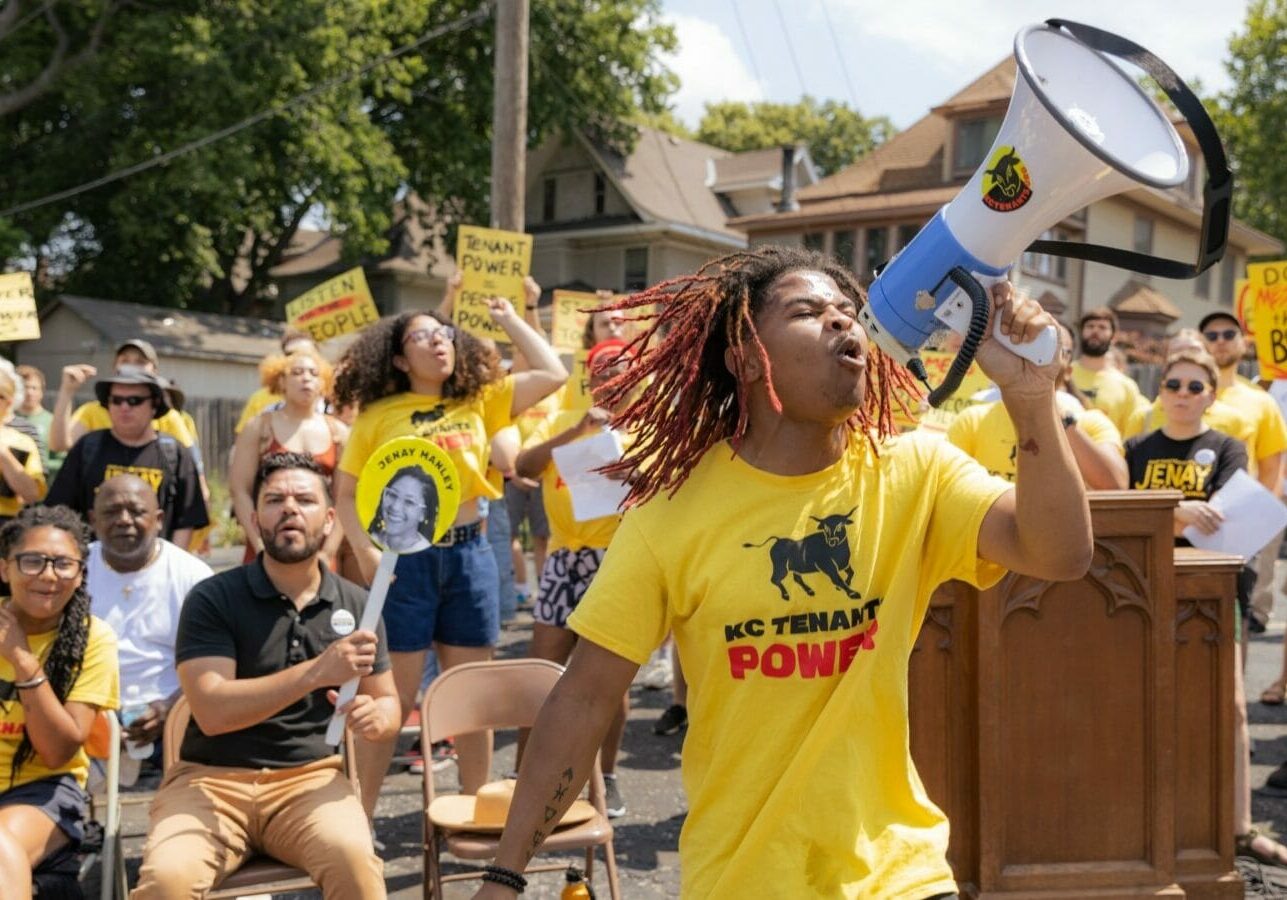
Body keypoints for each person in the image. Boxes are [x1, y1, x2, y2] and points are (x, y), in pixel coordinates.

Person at [474, 246, 1092, 899]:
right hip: (743, 878)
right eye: (807, 312)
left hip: (899, 872)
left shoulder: (917, 470)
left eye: (848, 311)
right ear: (743, 358)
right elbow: (583, 699)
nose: (842, 321)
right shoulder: (668, 516)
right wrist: (504, 875)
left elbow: (1059, 554)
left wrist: (1032, 398)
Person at [333, 296, 567, 817]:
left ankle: (473, 812)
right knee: (392, 700)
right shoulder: (377, 415)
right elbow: (345, 495)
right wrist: (365, 553)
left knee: (473, 699)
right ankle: (358, 819)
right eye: (422, 336)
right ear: (399, 359)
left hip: (470, 556)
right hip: (403, 565)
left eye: (444, 334)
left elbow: (553, 373)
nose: (438, 341)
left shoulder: (481, 399)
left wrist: (509, 319)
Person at [131, 453, 398, 898]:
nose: (290, 508)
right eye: (275, 500)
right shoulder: (213, 598)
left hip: (311, 780)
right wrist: (316, 672)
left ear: (330, 519)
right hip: (208, 782)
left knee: (356, 863)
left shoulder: (357, 605)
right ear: (255, 520)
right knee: (167, 879)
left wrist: (378, 717)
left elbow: (388, 702)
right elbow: (212, 711)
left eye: (305, 500)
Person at [1121, 349, 1287, 866]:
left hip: (1215, 593)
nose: (1183, 395)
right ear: (1160, 391)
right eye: (1174, 384)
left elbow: (1221, 517)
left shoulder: (1228, 448)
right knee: (1144, 700)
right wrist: (1179, 511)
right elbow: (1122, 512)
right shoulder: (1135, 448)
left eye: (1195, 387)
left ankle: (1239, 829)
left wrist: (1169, 513)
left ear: (1211, 396)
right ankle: (1142, 821)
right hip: (1146, 589)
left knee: (1231, 705)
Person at [512, 338, 635, 818]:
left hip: (618, 560)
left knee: (611, 680)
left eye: (621, 367)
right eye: (603, 368)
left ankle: (607, 777)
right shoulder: (565, 419)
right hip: (565, 560)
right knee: (540, 673)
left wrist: (634, 471)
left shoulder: (649, 429)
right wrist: (577, 430)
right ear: (591, 377)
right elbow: (523, 467)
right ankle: (521, 775)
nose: (611, 375)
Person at [0, 505, 119, 899]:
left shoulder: (93, 639)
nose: (49, 575)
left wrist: (22, 660)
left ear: (80, 574)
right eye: (32, 561)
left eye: (63, 564)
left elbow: (56, 751)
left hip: (42, 791)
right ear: (5, 569)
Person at [85, 474, 212, 768]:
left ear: (158, 520)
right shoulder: (72, 570)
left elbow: (212, 663)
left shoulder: (194, 577)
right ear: (92, 520)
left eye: (136, 511)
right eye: (111, 512)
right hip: (88, 717)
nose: (124, 520)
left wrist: (172, 706)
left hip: (175, 718)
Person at [948, 321, 1128, 489]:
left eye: (1055, 349)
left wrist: (1059, 418)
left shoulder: (1091, 423)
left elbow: (1116, 485)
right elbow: (948, 485)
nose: (1040, 357)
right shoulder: (973, 420)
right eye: (1031, 345)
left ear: (1068, 371)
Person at [1197, 311, 1287, 644]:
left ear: (1244, 343)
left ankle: (1233, 679)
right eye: (1212, 335)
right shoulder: (1181, 391)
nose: (1220, 341)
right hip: (1185, 519)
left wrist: (1259, 523)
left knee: (1236, 617)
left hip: (1235, 523)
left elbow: (1271, 467)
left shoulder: (1261, 401)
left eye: (1228, 334)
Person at [46, 368, 208, 549]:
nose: (124, 407)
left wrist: (170, 562)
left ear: (154, 404)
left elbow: (186, 520)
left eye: (134, 401)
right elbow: (61, 511)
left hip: (155, 560)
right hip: (94, 561)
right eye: (116, 400)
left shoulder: (174, 453)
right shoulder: (87, 447)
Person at [230, 346, 347, 565]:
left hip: (319, 551)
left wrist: (328, 551)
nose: (306, 378)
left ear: (323, 383)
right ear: (281, 381)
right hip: (268, 543)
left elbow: (345, 497)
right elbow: (239, 490)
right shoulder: (258, 427)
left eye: (314, 373)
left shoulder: (339, 433)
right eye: (297, 372)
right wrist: (260, 545)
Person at [48, 339, 198, 455]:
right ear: (115, 368)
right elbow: (59, 445)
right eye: (125, 361)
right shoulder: (92, 411)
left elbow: (189, 460)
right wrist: (67, 391)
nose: (132, 366)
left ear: (154, 371)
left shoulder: (167, 416)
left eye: (140, 362)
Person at [1070, 307, 1145, 435]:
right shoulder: (1063, 374)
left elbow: (1130, 436)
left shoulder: (1126, 386)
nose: (1095, 331)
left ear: (1113, 337)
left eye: (1102, 327)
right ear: (1081, 332)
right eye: (1090, 326)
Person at [233, 329, 321, 434]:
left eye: (306, 354)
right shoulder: (261, 398)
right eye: (290, 354)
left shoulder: (333, 400)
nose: (298, 359)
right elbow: (243, 437)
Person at [0, 371, 46, 524]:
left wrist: (4, 454)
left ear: (9, 402)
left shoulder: (21, 441)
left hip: (5, 521)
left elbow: (31, 494)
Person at [368, 466, 438, 554]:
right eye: (393, 495)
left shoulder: (425, 555)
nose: (395, 507)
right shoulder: (373, 538)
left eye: (409, 502)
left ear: (423, 514)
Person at [15, 366, 64, 482]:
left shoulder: (52, 421)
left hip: (41, 486)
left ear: (42, 392)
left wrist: (37, 465)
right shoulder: (6, 419)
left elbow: (62, 460)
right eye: (25, 387)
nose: (29, 392)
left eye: (34, 388)